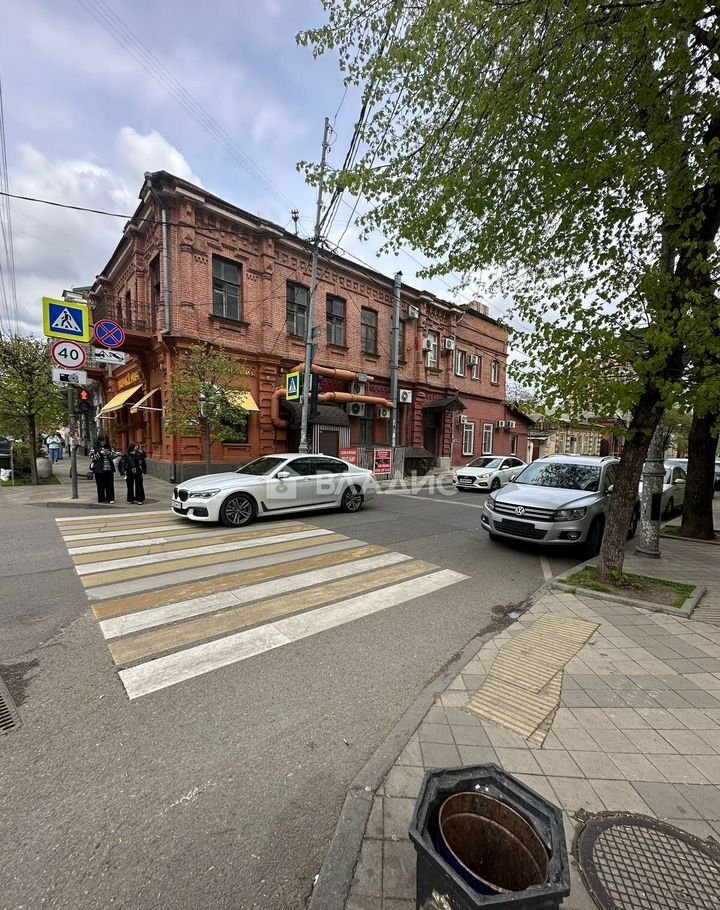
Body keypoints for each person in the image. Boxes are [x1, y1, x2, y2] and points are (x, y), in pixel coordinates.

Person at [89, 434, 117, 504]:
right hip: (99, 469)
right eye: (102, 441)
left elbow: (114, 456)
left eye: (105, 441)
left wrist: (109, 453)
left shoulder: (109, 447)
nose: (103, 442)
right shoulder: (94, 448)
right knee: (100, 485)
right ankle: (101, 499)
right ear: (99, 441)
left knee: (110, 485)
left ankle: (110, 498)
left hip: (109, 469)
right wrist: (100, 453)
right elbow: (92, 457)